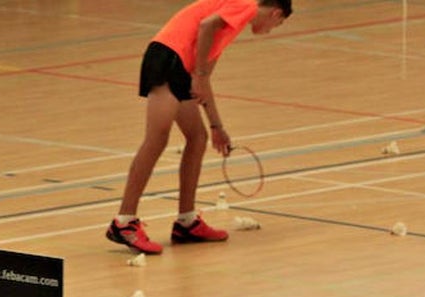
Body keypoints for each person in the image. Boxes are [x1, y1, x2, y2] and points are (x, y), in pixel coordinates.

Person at [106, 0, 292, 255]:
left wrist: (217, 126)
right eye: (276, 24)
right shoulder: (247, 5)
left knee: (198, 137)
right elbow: (206, 27)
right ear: (276, 12)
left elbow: (203, 81)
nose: (271, 29)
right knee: (156, 139)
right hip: (167, 57)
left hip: (180, 66)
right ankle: (124, 223)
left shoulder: (229, 27)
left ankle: (187, 222)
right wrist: (200, 73)